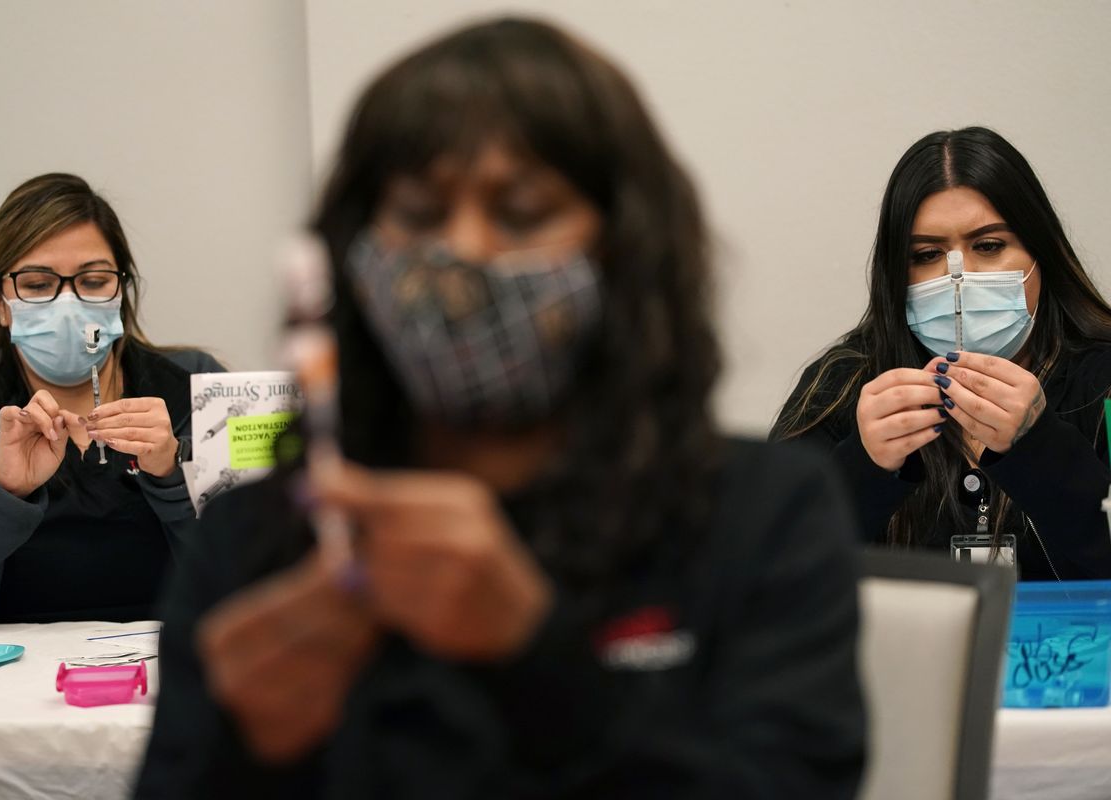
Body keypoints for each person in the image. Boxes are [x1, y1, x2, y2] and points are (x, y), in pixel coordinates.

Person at [136, 18, 865, 798]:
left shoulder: (763, 515)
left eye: (521, 213)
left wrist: (537, 659)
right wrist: (243, 753)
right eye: (418, 215)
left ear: (623, 245)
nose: (464, 252)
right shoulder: (262, 542)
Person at [773, 126, 1111, 581]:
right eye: (927, 254)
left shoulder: (1101, 377)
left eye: (989, 246)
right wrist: (865, 467)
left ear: (1040, 252)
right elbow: (766, 574)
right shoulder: (845, 383)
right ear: (896, 273)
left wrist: (1040, 447)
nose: (959, 278)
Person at [0, 173, 223, 625]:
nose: (68, 303)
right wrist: (0, 492)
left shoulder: (195, 388)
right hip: (10, 687)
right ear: (0, 302)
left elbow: (266, 576)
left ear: (122, 291)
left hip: (177, 672)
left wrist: (176, 473)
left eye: (94, 281)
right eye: (37, 285)